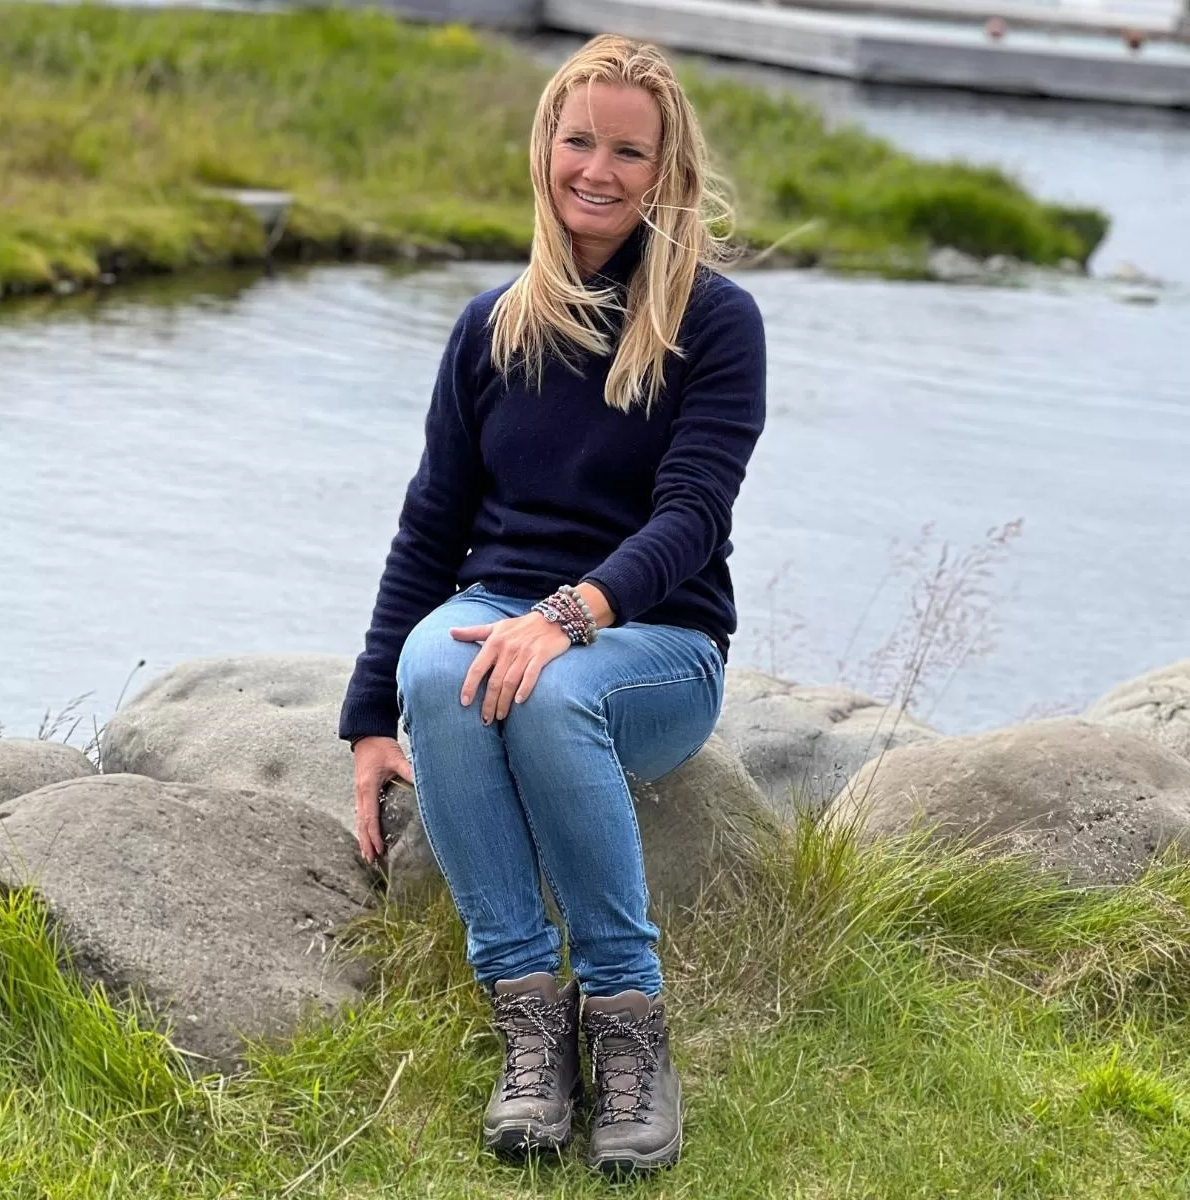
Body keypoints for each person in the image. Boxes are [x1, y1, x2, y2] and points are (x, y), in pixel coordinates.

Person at [339, 33, 766, 1175]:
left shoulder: (715, 325)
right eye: (580, 140)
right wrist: (371, 720)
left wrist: (569, 616)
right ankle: (530, 1026)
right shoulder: (490, 326)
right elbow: (431, 526)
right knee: (441, 671)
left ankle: (628, 1021)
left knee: (545, 697)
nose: (600, 169)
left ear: (665, 169)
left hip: (655, 640)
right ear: (546, 149)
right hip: (497, 603)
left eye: (629, 150)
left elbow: (693, 522)